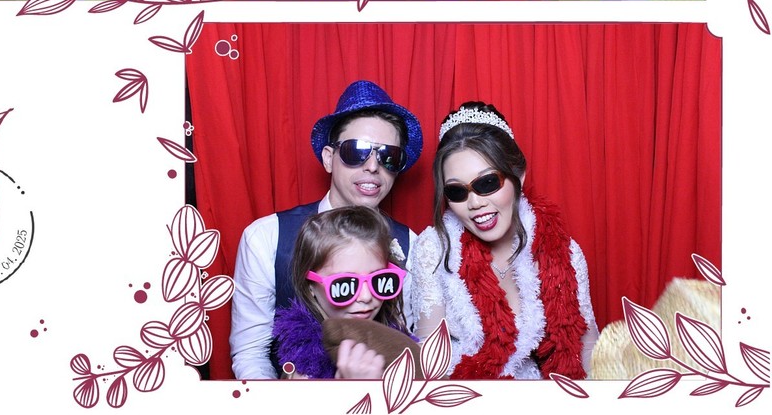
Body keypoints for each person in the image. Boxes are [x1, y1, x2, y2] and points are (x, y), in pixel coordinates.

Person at [230, 80, 422, 380]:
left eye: (389, 156)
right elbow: (250, 353)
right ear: (329, 158)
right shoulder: (266, 237)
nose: (373, 167)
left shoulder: (411, 243)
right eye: (357, 151)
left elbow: (409, 345)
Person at [406, 101, 598, 379]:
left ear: (518, 175)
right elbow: (428, 360)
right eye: (457, 192)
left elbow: (587, 351)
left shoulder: (565, 253)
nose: (474, 203)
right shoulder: (434, 248)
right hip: (460, 393)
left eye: (487, 183)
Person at [271, 206, 409, 379]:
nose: (366, 297)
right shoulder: (301, 372)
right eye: (345, 285)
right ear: (310, 286)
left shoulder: (400, 345)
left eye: (379, 280)